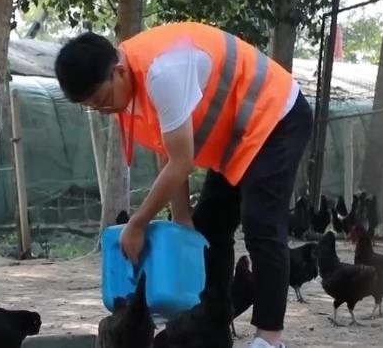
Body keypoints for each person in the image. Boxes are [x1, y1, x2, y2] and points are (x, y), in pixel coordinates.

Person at [53, 22, 312, 348]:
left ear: (117, 71)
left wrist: (138, 223)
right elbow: (166, 150)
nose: (104, 111)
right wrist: (182, 219)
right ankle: (212, 329)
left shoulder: (162, 73)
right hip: (236, 138)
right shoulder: (129, 88)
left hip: (276, 116)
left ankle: (269, 340)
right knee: (207, 229)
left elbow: (181, 162)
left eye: (102, 100)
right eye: (93, 108)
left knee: (261, 223)